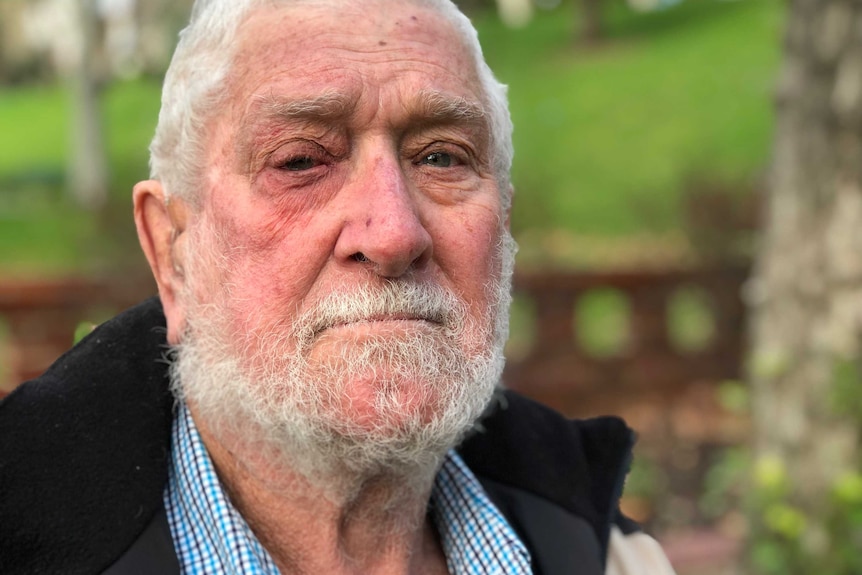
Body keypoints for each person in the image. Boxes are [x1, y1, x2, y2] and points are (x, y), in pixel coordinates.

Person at [0, 1, 677, 573]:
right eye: (300, 161)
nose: (392, 233)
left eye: (442, 156)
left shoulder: (609, 549)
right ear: (173, 252)